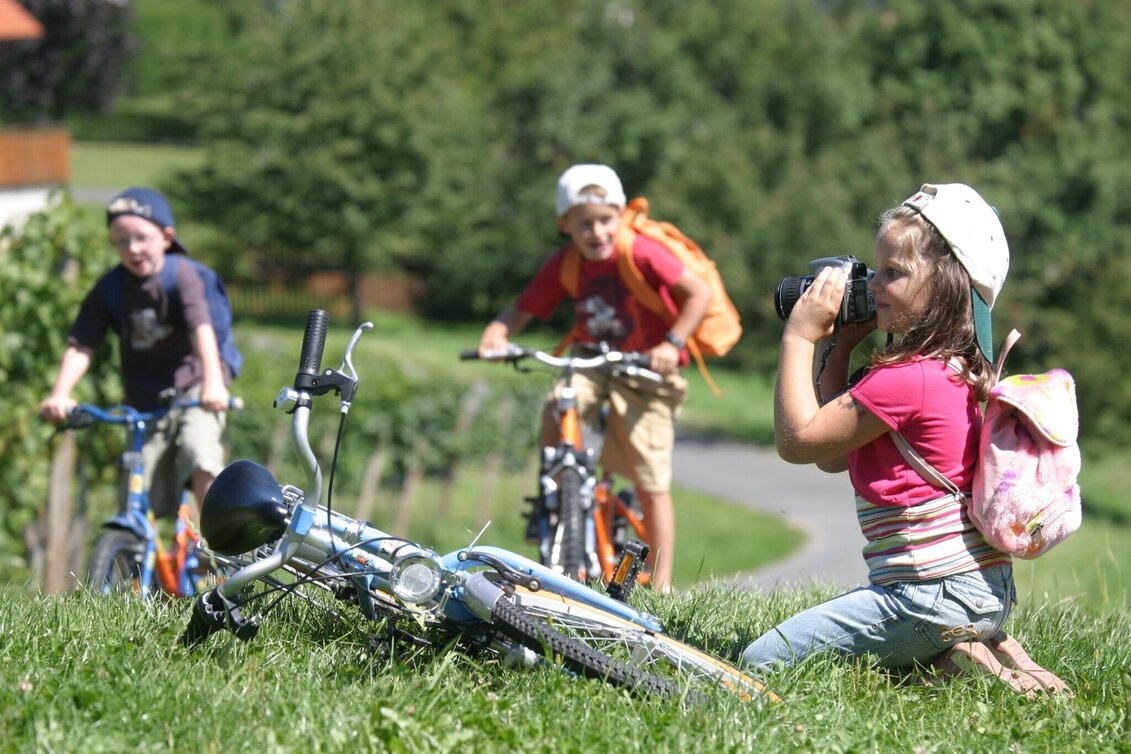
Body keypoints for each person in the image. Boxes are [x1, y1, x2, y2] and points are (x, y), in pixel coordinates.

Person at [742, 183, 1070, 696]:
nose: (874, 285)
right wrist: (843, 346)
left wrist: (800, 337)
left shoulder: (906, 379)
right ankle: (977, 650)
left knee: (761, 659)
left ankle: (959, 649)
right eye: (875, 270)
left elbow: (798, 442)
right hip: (980, 590)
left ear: (945, 289)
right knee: (872, 638)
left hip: (929, 594)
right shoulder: (947, 369)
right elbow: (832, 456)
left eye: (893, 273)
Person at [478, 164, 712, 591]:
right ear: (564, 225)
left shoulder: (640, 251)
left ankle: (660, 584)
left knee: (650, 476)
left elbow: (699, 293)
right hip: (592, 359)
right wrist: (499, 330)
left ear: (621, 216)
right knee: (559, 403)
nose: (597, 232)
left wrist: (672, 344)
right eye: (584, 223)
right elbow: (522, 309)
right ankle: (555, 491)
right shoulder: (566, 264)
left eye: (605, 220)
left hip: (646, 368)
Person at [39, 187, 233, 519]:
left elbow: (202, 327)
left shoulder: (182, 277)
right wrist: (61, 393)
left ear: (166, 237)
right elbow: (82, 343)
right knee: (136, 484)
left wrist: (214, 384)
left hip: (196, 386)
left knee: (199, 453)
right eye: (121, 241)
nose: (132, 248)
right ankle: (133, 562)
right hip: (144, 399)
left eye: (142, 238)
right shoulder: (111, 288)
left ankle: (215, 548)